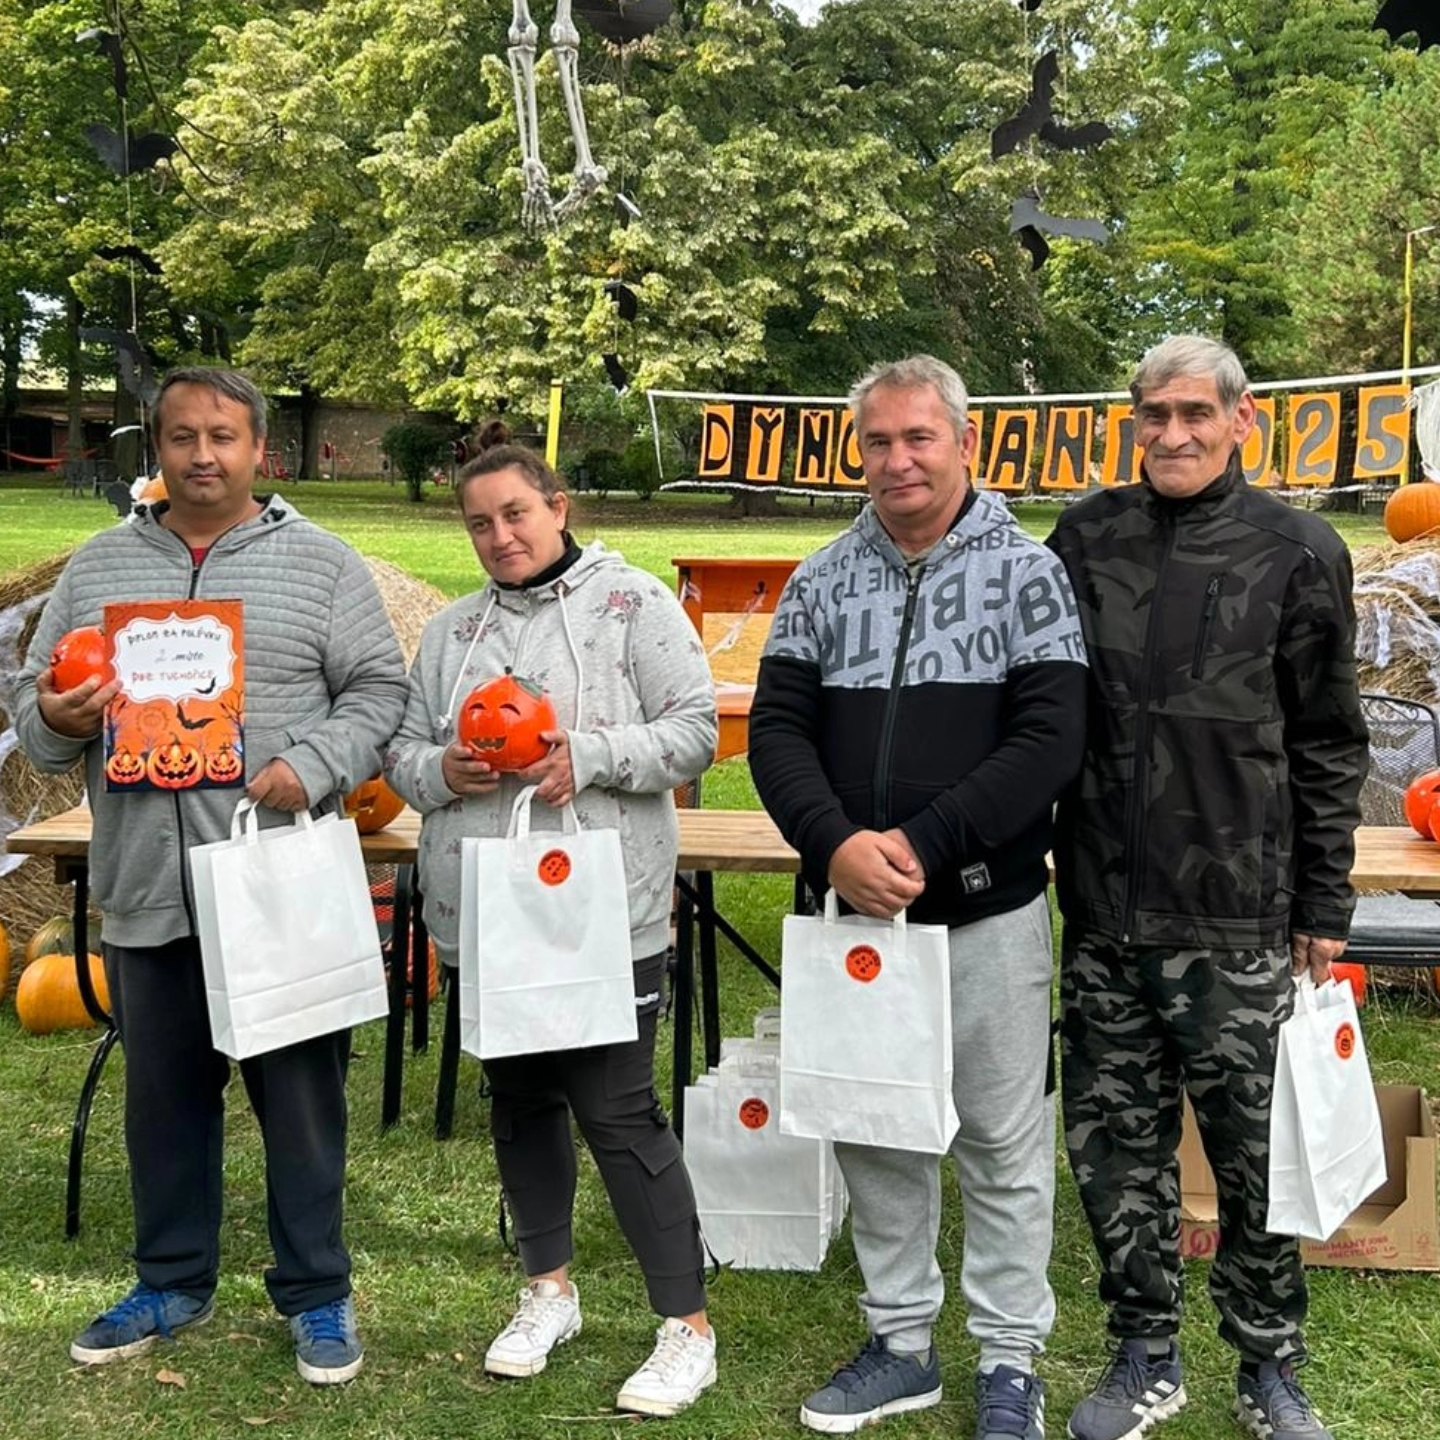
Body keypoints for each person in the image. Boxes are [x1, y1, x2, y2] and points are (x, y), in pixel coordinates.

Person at [15, 368, 409, 1383]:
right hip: (148, 883)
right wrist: (53, 717)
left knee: (302, 1103)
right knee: (166, 1103)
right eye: (182, 436)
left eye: (222, 437)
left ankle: (316, 1292)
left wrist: (313, 764)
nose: (202, 455)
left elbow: (380, 692)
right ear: (156, 446)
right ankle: (172, 1279)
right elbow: (37, 711)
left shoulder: (322, 565)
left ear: (258, 449)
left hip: (277, 878)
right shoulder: (100, 568)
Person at [749, 354, 1088, 1440]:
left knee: (1002, 1144)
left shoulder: (1029, 573)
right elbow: (776, 731)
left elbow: (1051, 739)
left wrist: (925, 841)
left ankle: (1009, 1360)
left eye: (919, 437)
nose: (898, 460)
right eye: (879, 441)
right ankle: (901, 1344)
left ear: (965, 443)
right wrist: (833, 842)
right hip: (856, 917)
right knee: (876, 1130)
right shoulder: (819, 581)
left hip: (988, 909)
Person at [1047, 335, 1368, 1440]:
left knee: (1255, 1157)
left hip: (1238, 917)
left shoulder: (1300, 552)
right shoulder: (1086, 539)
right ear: (1132, 422)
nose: (1173, 434)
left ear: (1241, 420)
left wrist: (1323, 903)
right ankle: (1144, 1352)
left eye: (1195, 413)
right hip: (1104, 911)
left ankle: (1268, 1362)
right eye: (1155, 414)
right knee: (1113, 1149)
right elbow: (1045, 708)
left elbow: (1329, 742)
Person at [384, 435, 719, 1417]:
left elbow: (695, 731)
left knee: (617, 1110)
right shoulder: (452, 634)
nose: (499, 536)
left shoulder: (633, 606)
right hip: (487, 908)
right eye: (479, 523)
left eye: (515, 514)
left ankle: (686, 1327)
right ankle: (548, 1292)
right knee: (521, 1100)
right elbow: (399, 752)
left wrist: (591, 755)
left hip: (602, 910)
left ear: (558, 507)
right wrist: (439, 770)